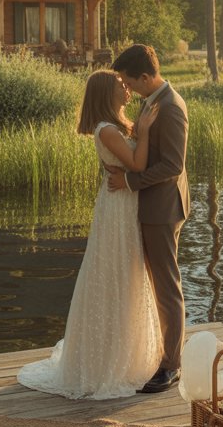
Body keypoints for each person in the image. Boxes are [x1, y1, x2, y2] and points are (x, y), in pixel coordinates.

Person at [17, 70, 162, 399]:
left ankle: (130, 352)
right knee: (115, 273)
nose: (126, 88)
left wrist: (138, 129)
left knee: (128, 274)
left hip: (124, 202)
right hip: (118, 208)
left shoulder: (118, 125)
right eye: (120, 85)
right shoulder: (107, 130)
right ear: (105, 94)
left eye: (127, 83)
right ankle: (109, 361)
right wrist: (147, 131)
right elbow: (138, 165)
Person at [106, 44, 190, 393]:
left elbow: (173, 166)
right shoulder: (152, 101)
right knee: (157, 283)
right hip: (152, 205)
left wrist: (128, 181)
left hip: (162, 207)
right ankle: (162, 353)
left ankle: (172, 365)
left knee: (166, 286)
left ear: (145, 76)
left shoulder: (170, 108)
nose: (127, 88)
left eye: (129, 81)